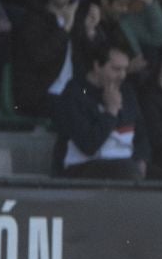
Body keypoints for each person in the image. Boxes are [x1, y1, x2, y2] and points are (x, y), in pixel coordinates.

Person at [53, 43, 150, 177]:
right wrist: (110, 112)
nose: (122, 75)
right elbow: (88, 146)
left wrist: (141, 158)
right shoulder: (74, 95)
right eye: (116, 69)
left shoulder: (127, 92)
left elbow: (141, 133)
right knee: (128, 171)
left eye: (125, 69)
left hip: (125, 161)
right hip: (82, 166)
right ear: (97, 66)